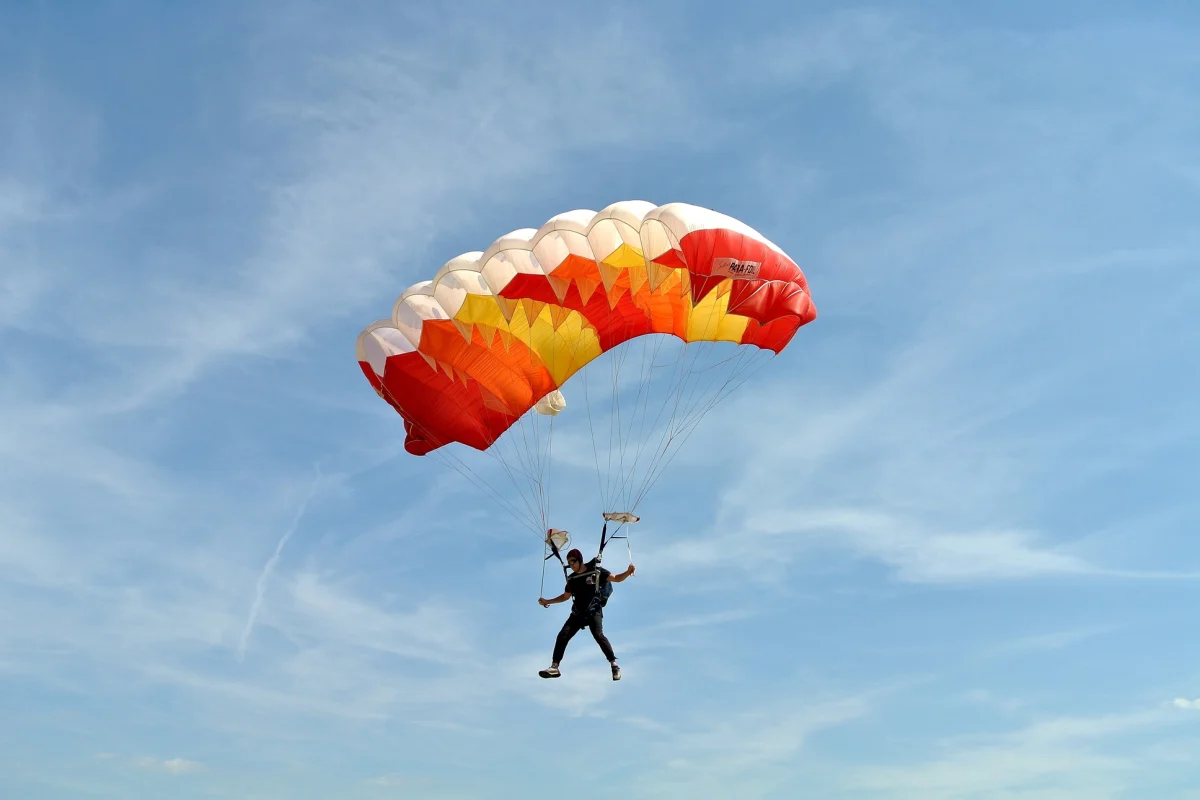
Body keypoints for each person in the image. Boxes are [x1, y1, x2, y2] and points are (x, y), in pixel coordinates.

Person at [538, 547, 635, 680]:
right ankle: (554, 667)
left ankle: (614, 665)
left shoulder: (595, 571)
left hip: (593, 611)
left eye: (573, 561)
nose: (571, 565)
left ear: (580, 560)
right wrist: (548, 601)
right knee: (562, 636)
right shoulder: (572, 579)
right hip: (578, 613)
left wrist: (628, 572)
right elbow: (565, 596)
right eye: (569, 563)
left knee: (598, 635)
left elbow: (616, 578)